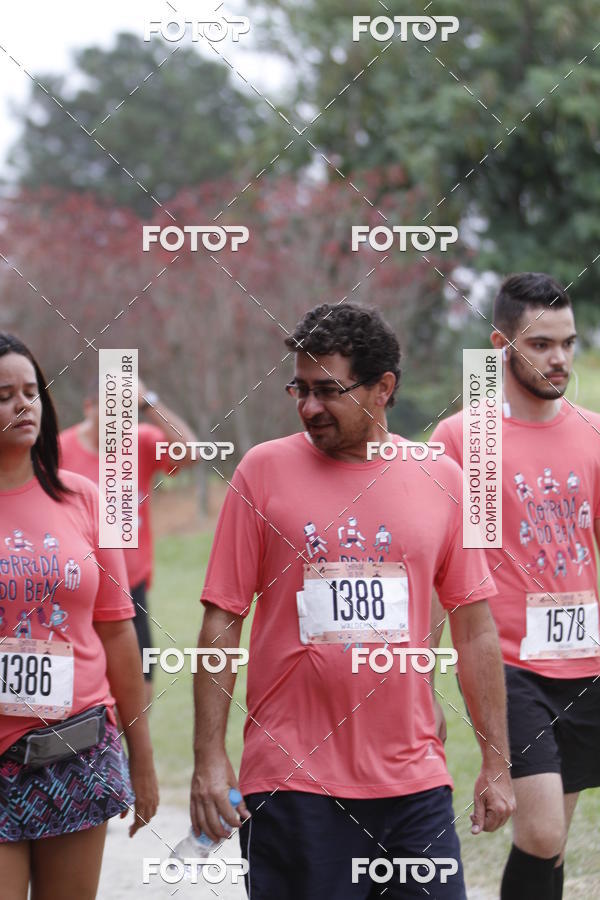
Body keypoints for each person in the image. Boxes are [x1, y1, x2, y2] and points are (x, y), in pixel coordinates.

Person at [189, 303, 515, 899]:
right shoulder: (263, 471)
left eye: (328, 391)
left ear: (382, 388)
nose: (309, 407)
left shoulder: (442, 478)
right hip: (293, 782)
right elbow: (223, 618)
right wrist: (209, 757)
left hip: (415, 784)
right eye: (301, 388)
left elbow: (475, 630)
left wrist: (496, 762)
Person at [431, 273, 600, 900]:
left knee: (551, 841)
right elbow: (436, 566)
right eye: (540, 344)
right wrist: (421, 679)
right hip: (507, 666)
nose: (559, 359)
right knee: (542, 830)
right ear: (500, 344)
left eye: (568, 343)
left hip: (583, 661)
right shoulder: (464, 440)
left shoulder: (593, 432)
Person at [0, 334, 158, 900]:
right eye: (4, 395)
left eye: (31, 392)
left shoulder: (87, 498)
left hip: (76, 747)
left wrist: (142, 760)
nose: (23, 405)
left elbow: (117, 631)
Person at [60, 376, 197, 705]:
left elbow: (190, 453)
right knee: (76, 691)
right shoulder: (59, 450)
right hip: (76, 589)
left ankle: (128, 741)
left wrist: (149, 401)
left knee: (139, 693)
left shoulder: (141, 441)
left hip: (129, 589)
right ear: (89, 407)